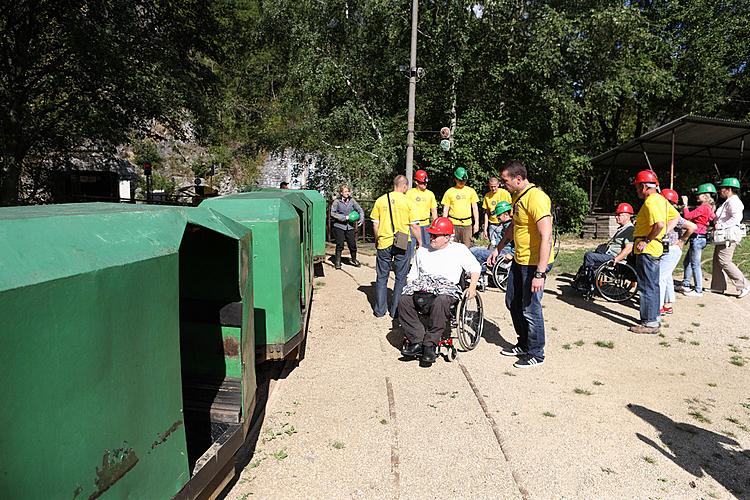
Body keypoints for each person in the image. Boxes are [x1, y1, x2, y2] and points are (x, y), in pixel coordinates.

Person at [488, 160, 553, 368]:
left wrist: (540, 273)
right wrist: (498, 248)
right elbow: (514, 227)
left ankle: (536, 353)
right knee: (512, 302)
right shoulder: (517, 196)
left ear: (518, 179)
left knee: (530, 308)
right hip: (520, 259)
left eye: (505, 181)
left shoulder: (536, 198)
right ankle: (524, 343)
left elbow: (546, 236)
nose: (502, 184)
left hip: (535, 264)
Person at [399, 217, 481, 364]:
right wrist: (413, 288)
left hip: (447, 289)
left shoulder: (459, 249)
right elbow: (412, 275)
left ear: (447, 237)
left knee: (441, 301)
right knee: (404, 301)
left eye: (436, 235)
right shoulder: (422, 251)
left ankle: (430, 344)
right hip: (423, 287)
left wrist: (472, 287)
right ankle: (417, 340)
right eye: (431, 234)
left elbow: (475, 268)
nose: (432, 238)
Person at [629, 170, 679, 334]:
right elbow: (675, 217)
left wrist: (647, 240)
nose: (636, 190)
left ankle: (649, 323)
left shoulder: (651, 201)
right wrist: (664, 232)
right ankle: (653, 318)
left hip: (648, 249)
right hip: (656, 249)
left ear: (644, 186)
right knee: (654, 285)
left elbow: (658, 224)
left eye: (637, 187)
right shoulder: (662, 200)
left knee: (646, 286)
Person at [370, 175, 422, 318]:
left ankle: (380, 311)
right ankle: (396, 311)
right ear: (404, 186)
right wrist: (420, 242)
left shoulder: (381, 200)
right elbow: (414, 226)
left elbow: (375, 224)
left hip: (384, 241)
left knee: (382, 276)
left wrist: (377, 239)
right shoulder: (408, 202)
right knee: (401, 277)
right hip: (403, 241)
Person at [658, 189, 696, 316]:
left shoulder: (674, 215)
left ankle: (658, 307)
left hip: (672, 250)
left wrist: (682, 240)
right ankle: (667, 304)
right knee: (667, 277)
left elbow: (692, 227)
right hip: (666, 249)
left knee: (660, 277)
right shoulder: (666, 214)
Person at [710, 177, 749, 298]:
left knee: (724, 261)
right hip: (723, 235)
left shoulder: (734, 202)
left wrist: (721, 225)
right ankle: (718, 286)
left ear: (729, 189)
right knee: (717, 260)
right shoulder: (728, 201)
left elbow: (736, 218)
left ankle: (744, 285)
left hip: (729, 236)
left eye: (722, 188)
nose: (720, 190)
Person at [679, 183, 716, 297]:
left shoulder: (703, 207)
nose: (697, 196)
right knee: (687, 262)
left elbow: (688, 216)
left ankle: (698, 290)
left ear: (705, 196)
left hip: (697, 238)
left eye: (699, 194)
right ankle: (686, 284)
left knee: (695, 264)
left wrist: (685, 204)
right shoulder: (709, 208)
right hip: (700, 237)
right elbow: (713, 218)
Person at [581, 202, 635, 270]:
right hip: (608, 254)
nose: (616, 217)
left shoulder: (629, 230)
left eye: (619, 215)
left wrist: (616, 260)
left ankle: (588, 278)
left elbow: (629, 248)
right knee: (594, 252)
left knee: (589, 256)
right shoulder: (623, 228)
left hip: (613, 257)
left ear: (627, 216)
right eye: (616, 215)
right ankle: (586, 275)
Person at [470, 201, 514, 280]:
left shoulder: (511, 227)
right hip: (498, 251)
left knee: (474, 251)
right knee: (475, 250)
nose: (497, 217)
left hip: (504, 254)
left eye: (499, 215)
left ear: (506, 214)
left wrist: (512, 254)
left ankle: (481, 276)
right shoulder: (505, 225)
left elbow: (520, 243)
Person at [330, 184, 365, 269]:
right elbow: (332, 213)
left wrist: (361, 218)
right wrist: (344, 218)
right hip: (339, 226)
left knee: (352, 244)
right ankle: (337, 262)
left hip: (350, 226)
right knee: (340, 244)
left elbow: (360, 210)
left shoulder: (352, 201)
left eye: (348, 191)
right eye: (345, 191)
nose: (347, 193)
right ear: (341, 192)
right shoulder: (337, 202)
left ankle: (354, 259)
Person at [441, 167, 479, 247]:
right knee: (452, 247)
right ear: (455, 179)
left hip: (467, 224)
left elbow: (475, 208)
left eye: (464, 180)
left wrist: (476, 223)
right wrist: (445, 225)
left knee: (467, 248)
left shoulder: (471, 191)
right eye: (460, 180)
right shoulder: (449, 192)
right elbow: (446, 209)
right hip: (453, 224)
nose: (462, 182)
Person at [406, 169, 438, 253]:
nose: (425, 184)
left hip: (425, 225)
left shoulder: (430, 194)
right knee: (410, 247)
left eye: (426, 183)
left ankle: (424, 265)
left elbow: (434, 210)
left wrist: (435, 225)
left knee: (426, 248)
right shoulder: (409, 193)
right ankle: (410, 264)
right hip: (412, 225)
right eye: (422, 183)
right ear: (416, 182)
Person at [481, 177, 512, 246]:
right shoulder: (487, 196)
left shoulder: (505, 193)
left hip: (503, 224)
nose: (493, 188)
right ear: (489, 185)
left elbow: (510, 209)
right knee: (493, 245)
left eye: (495, 186)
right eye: (491, 187)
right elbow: (486, 214)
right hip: (492, 225)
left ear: (498, 184)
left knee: (504, 244)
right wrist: (485, 229)